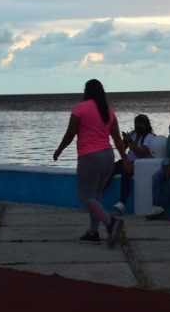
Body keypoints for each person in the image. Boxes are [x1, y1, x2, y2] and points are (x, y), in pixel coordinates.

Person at [52, 79, 129, 247]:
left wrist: (59, 150)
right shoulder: (108, 111)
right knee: (95, 196)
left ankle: (111, 223)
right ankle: (93, 233)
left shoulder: (81, 108)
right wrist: (125, 158)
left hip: (90, 157)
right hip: (108, 156)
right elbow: (116, 137)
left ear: (86, 92)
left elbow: (71, 132)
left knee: (86, 197)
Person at [109, 114, 157, 215]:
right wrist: (124, 141)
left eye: (140, 124)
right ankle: (97, 194)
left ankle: (122, 203)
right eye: (136, 124)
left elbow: (141, 153)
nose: (137, 126)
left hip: (139, 165)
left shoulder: (149, 137)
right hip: (128, 160)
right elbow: (123, 149)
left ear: (146, 125)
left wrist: (130, 141)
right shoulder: (133, 133)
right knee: (109, 169)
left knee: (126, 173)